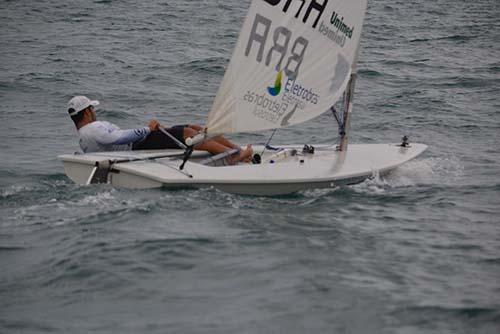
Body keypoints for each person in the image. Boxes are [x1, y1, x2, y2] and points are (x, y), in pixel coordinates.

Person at [67, 96, 252, 163]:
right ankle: (232, 155)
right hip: (136, 147)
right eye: (92, 108)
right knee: (189, 134)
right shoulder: (93, 128)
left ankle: (237, 150)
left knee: (192, 128)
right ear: (87, 112)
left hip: (136, 145)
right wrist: (147, 130)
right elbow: (118, 138)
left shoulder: (83, 136)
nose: (94, 111)